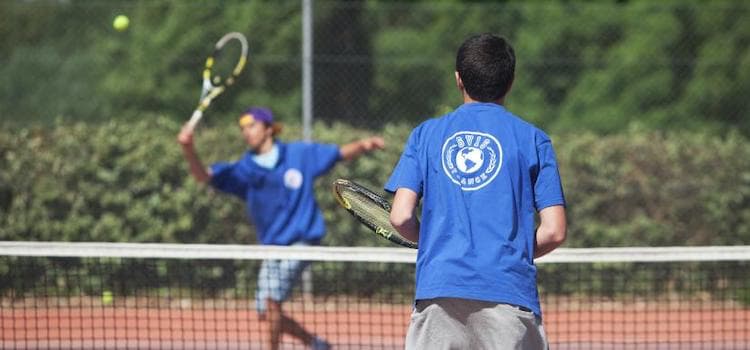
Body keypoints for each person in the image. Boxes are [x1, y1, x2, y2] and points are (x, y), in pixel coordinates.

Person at [385, 33, 567, 349]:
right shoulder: (534, 139)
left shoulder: (425, 135)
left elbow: (400, 217)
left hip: (438, 291)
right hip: (508, 291)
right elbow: (554, 231)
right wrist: (513, 250)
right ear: (511, 81)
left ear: (458, 79)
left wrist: (432, 240)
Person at [177, 107, 385, 350]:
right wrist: (188, 149)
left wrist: (364, 144)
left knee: (272, 301)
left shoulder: (299, 154)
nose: (246, 132)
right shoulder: (243, 170)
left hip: (302, 242)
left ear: (268, 129)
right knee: (265, 310)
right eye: (243, 128)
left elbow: (338, 153)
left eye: (251, 126)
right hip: (272, 247)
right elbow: (203, 176)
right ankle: (316, 344)